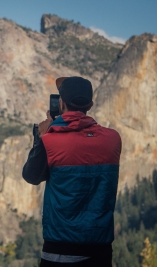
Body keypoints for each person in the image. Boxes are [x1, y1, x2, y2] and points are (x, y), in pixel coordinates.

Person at [22, 76, 122, 267]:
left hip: (60, 250)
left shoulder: (50, 140)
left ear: (61, 103)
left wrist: (41, 137)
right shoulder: (113, 139)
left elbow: (32, 176)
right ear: (90, 105)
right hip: (100, 250)